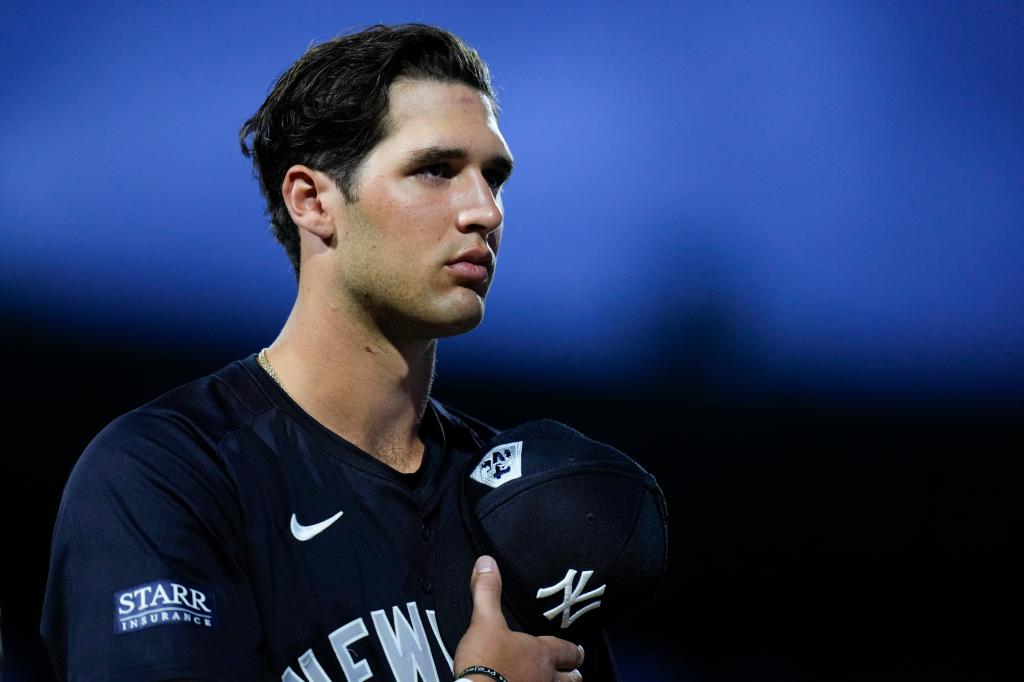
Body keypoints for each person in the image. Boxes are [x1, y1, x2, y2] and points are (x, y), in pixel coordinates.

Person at [41, 24, 615, 682]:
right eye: (435, 170)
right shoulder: (167, 473)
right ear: (312, 201)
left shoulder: (525, 500)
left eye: (495, 177)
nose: (484, 210)